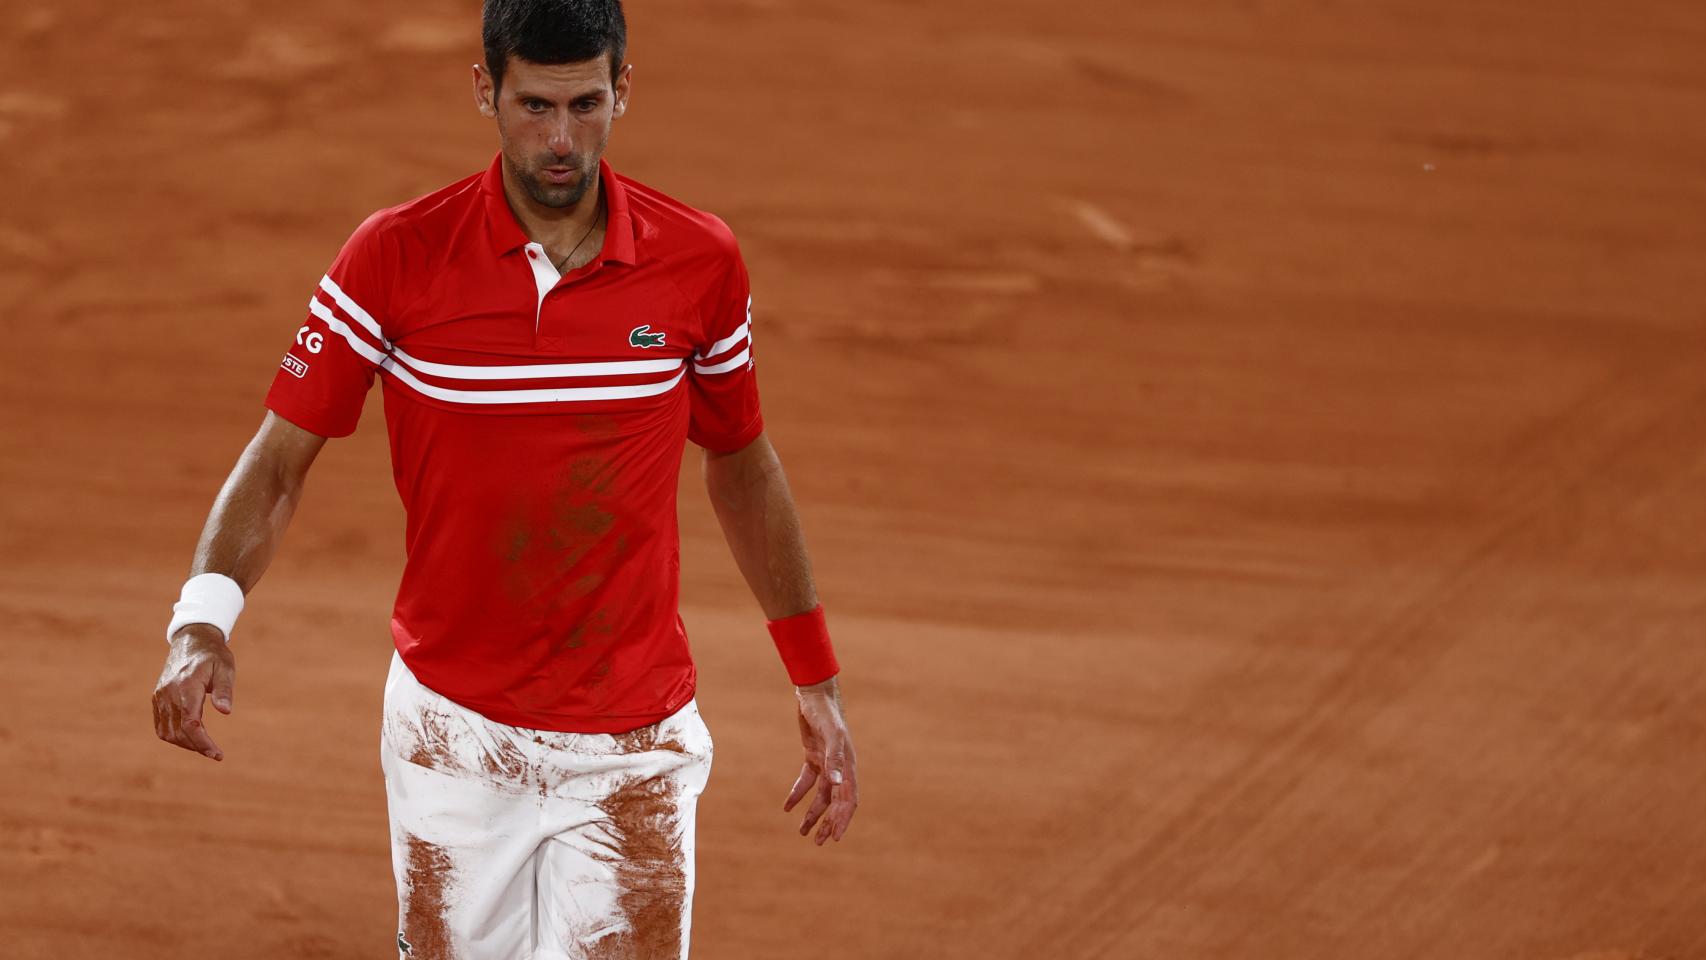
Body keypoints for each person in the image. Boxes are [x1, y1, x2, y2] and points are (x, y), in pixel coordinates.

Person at [149, 0, 859, 955]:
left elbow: (741, 462)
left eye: (585, 105)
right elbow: (279, 461)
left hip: (634, 742)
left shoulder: (699, 263)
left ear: (622, 93)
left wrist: (814, 677)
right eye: (533, 107)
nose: (560, 140)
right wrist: (202, 620)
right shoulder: (393, 257)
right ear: (485, 90)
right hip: (453, 732)